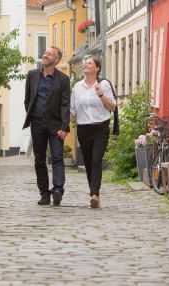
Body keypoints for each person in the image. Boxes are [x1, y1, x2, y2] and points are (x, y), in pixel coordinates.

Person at [23, 46, 71, 206]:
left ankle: (57, 190)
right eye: (45, 53)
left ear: (56, 60)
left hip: (56, 126)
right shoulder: (32, 75)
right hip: (37, 124)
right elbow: (27, 99)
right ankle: (44, 193)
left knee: (57, 158)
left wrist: (64, 127)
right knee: (39, 160)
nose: (45, 55)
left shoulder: (63, 79)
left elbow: (65, 105)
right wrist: (32, 115)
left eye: (49, 54)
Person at [70, 56, 116, 208]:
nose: (86, 65)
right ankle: (94, 192)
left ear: (97, 68)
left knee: (96, 160)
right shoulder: (77, 87)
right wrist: (62, 125)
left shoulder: (104, 84)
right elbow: (72, 110)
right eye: (85, 63)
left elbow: (112, 107)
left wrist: (101, 94)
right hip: (83, 129)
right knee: (89, 163)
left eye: (89, 63)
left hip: (100, 128)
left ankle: (94, 194)